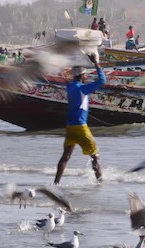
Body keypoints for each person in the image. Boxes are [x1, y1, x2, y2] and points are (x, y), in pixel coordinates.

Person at [53, 54, 106, 185]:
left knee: (65, 156)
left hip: (70, 127)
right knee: (95, 156)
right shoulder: (82, 88)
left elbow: (67, 79)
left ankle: (56, 183)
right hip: (81, 128)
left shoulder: (70, 86)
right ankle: (100, 183)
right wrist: (96, 63)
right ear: (81, 76)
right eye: (85, 75)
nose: (86, 77)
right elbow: (102, 81)